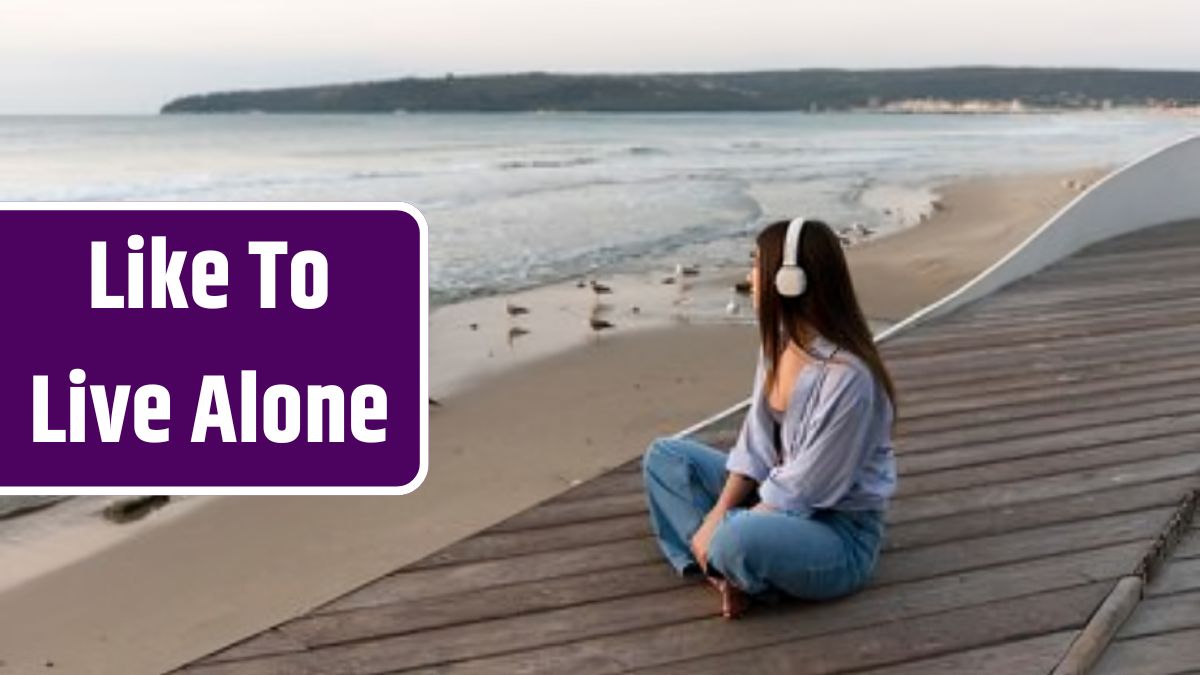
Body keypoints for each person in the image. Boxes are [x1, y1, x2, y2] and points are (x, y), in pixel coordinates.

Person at [642, 217, 898, 619]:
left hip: (839, 533)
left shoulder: (849, 379)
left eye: (757, 265)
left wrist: (724, 527)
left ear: (790, 280)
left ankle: (729, 559)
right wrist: (715, 518)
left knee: (735, 538)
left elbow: (806, 489)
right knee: (666, 458)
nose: (750, 276)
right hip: (777, 497)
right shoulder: (779, 345)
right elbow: (755, 445)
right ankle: (724, 572)